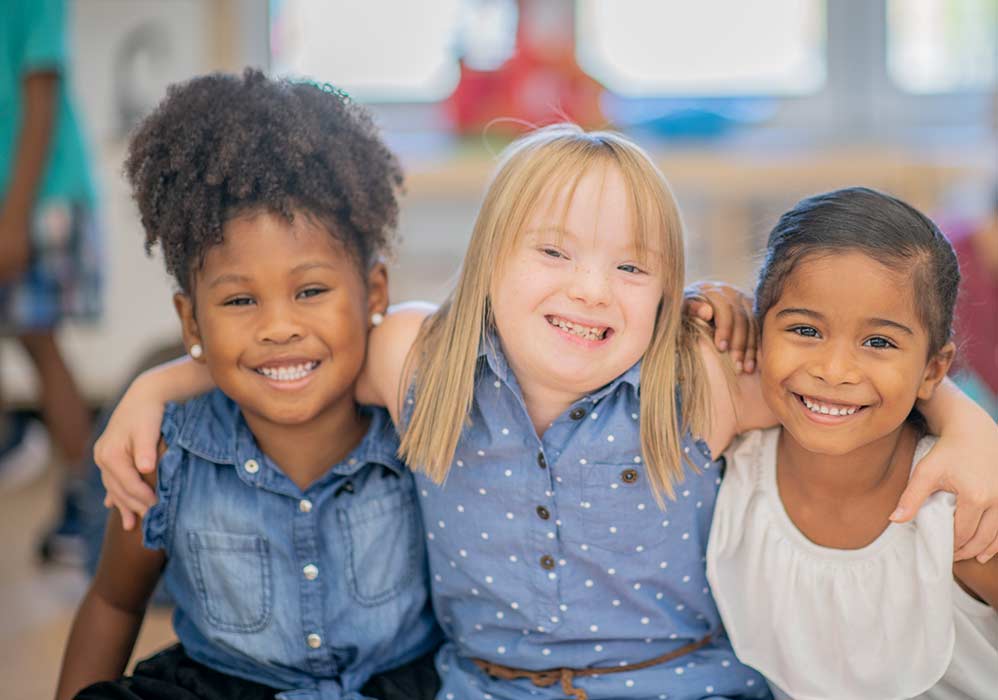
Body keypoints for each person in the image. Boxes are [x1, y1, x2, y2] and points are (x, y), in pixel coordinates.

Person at [96, 126, 998, 700]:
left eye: (632, 268)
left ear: (668, 291)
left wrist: (970, 426)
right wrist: (155, 386)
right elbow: (292, 351)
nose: (591, 290)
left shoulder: (698, 382)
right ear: (490, 260)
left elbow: (843, 379)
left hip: (679, 691)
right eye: (555, 251)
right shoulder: (418, 361)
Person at [55, 69, 441, 700]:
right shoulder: (165, 458)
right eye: (239, 300)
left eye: (311, 291)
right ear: (192, 321)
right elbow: (113, 603)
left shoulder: (416, 422)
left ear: (374, 294)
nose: (279, 327)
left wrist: (156, 382)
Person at [707, 187, 998, 700]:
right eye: (804, 329)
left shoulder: (965, 512)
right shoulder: (732, 463)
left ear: (933, 370)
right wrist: (699, 304)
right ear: (758, 332)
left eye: (879, 342)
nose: (834, 370)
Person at [0, 0, 103, 563]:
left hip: (42, 199)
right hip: (10, 201)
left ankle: (90, 505)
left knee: (39, 341)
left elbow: (39, 102)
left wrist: (15, 218)